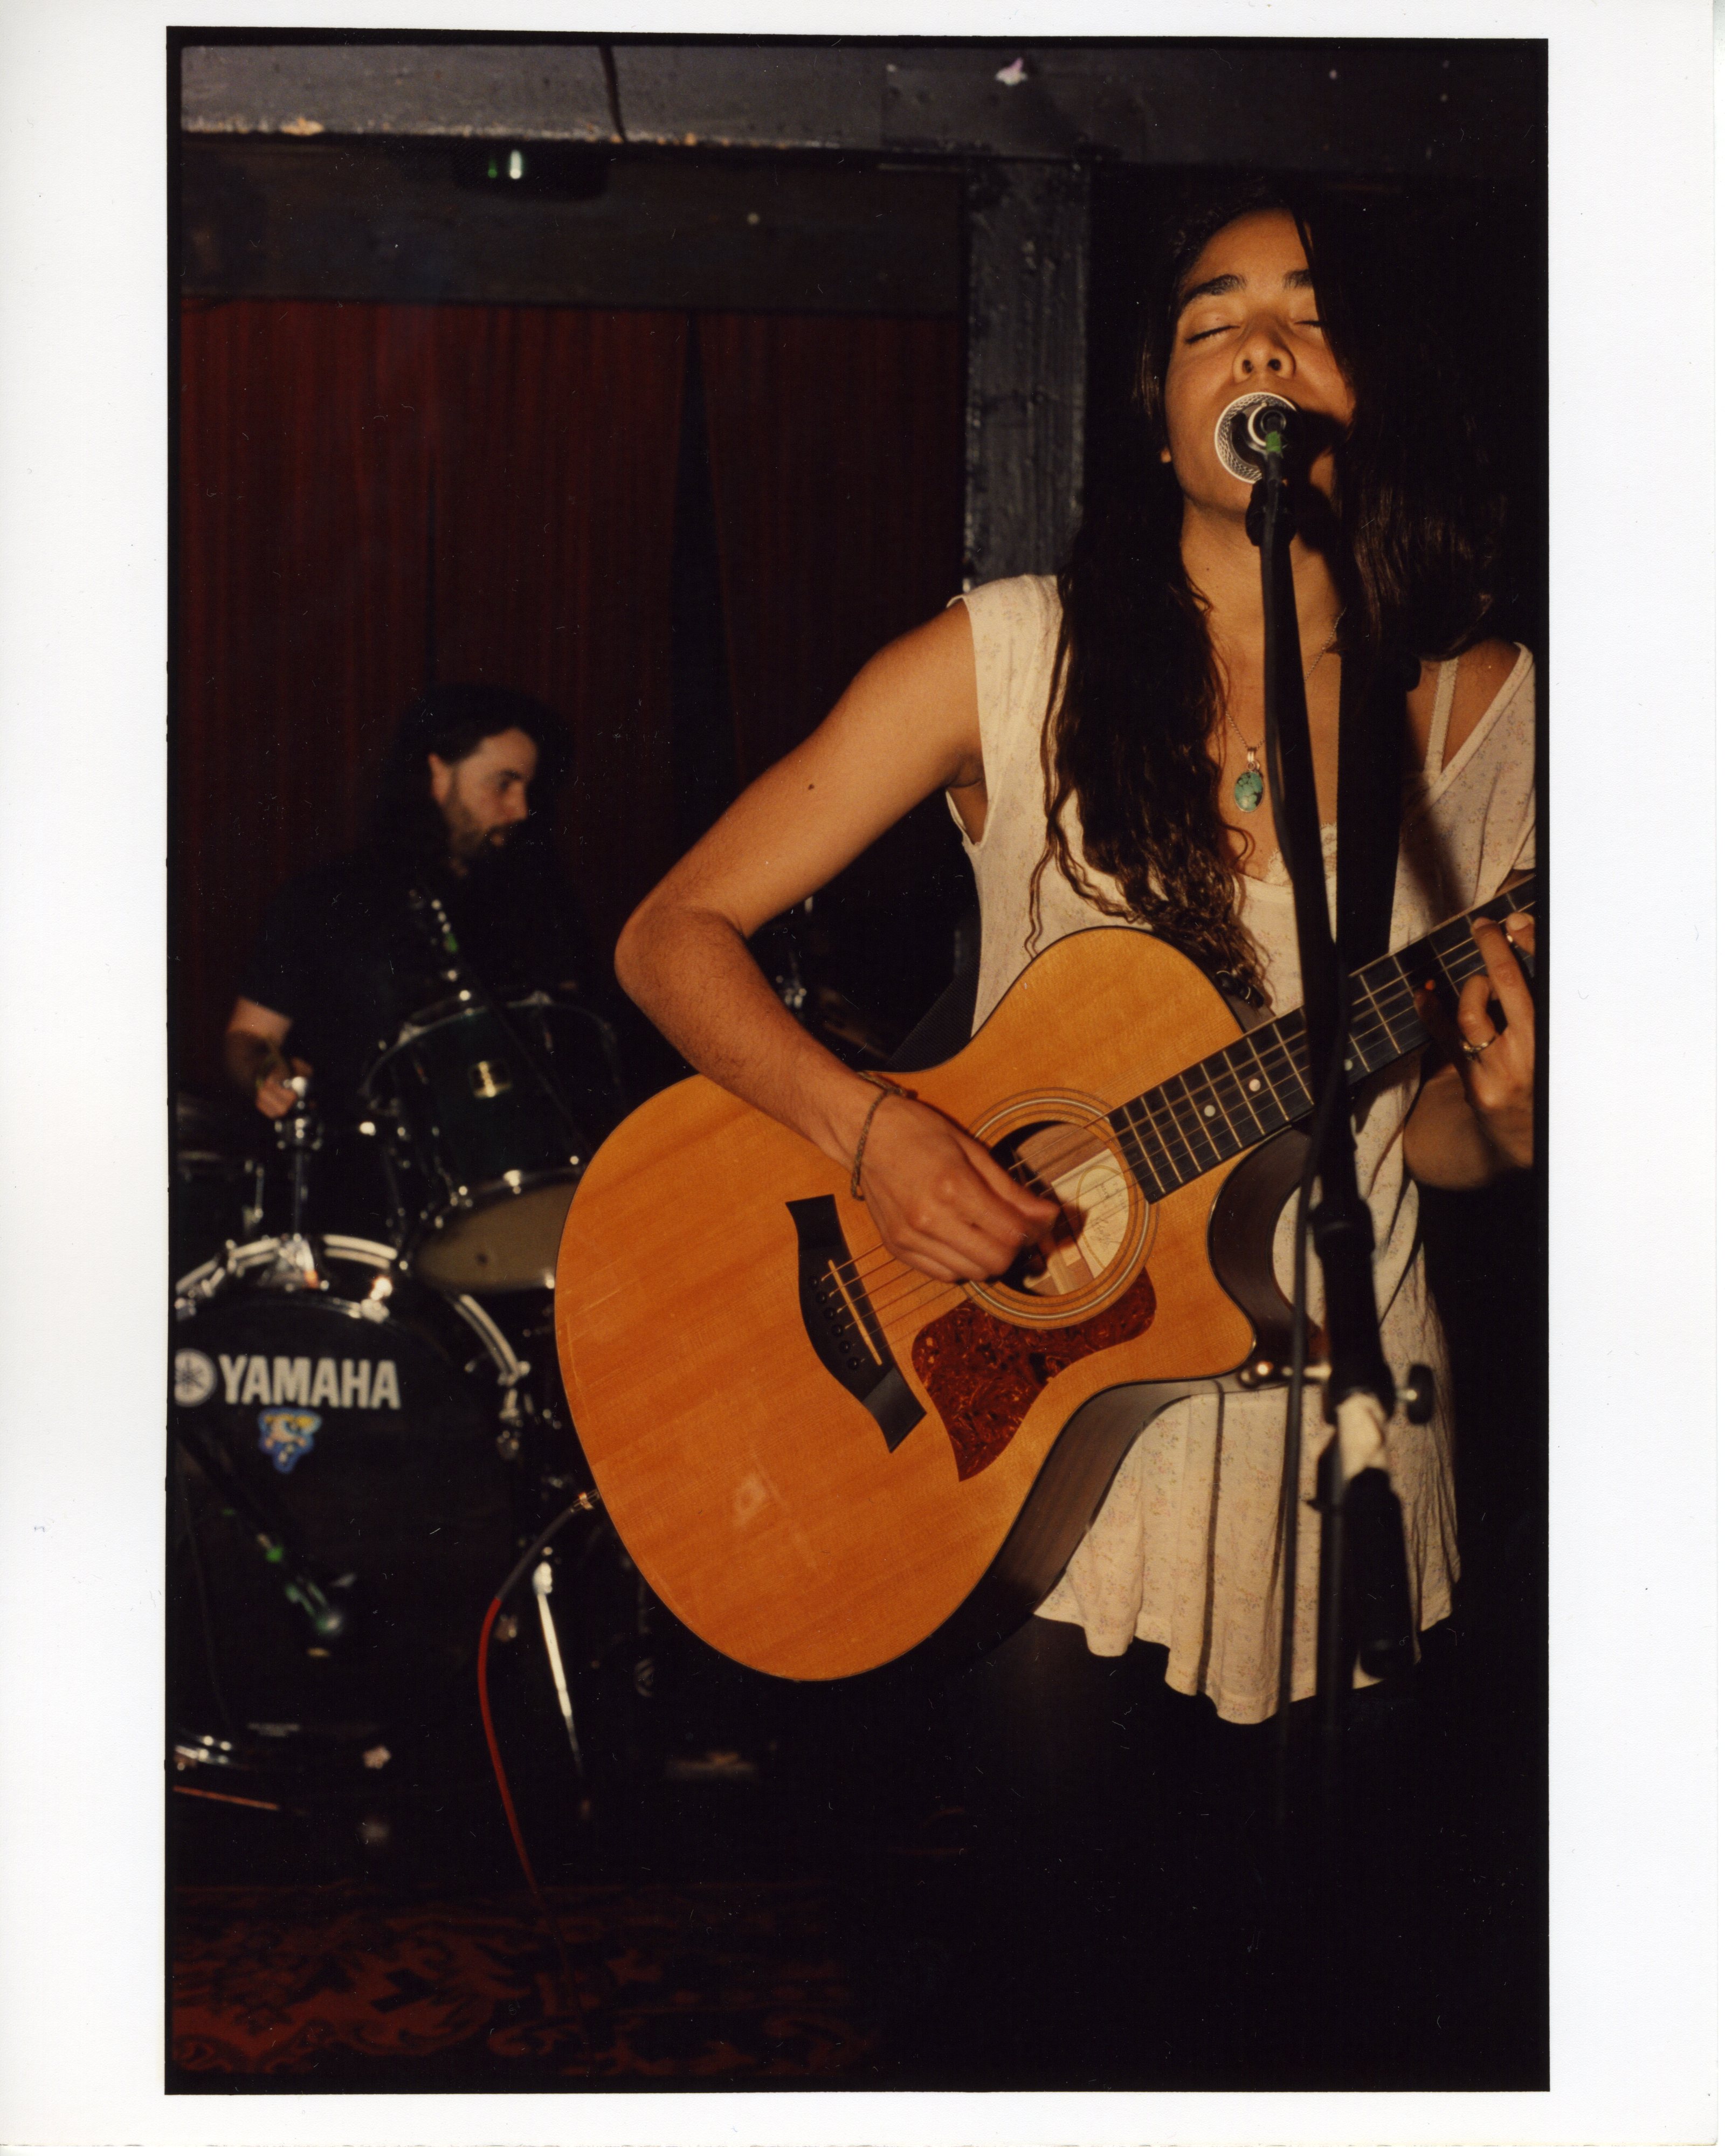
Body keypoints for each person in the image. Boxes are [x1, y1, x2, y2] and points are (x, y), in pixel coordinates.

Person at [613, 179, 1538, 2077]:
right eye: (1212, 318)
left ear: (1370, 380)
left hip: (1351, 1430)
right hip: (1055, 1443)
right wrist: (870, 1132)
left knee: (1336, 2027)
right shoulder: (1014, 655)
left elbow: (1433, 1139)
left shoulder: (1476, 709)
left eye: (1307, 310)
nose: (1261, 340)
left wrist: (1516, 1124)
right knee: (1073, 2008)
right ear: (1157, 402)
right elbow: (670, 933)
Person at [223, 683, 601, 1227]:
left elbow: (572, 1042)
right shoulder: (323, 900)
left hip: (522, 1189)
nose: (520, 809)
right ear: (437, 773)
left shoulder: (536, 902)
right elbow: (249, 1036)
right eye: (503, 783)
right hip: (360, 1201)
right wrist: (267, 1073)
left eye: (528, 787)